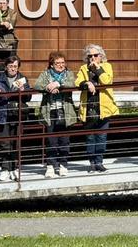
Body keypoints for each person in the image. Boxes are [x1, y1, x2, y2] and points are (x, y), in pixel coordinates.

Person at [34, 51, 76, 178]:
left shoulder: (69, 74)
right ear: (51, 64)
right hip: (50, 112)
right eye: (58, 63)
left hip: (65, 112)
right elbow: (37, 85)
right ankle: (51, 166)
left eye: (63, 63)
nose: (61, 65)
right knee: (51, 141)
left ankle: (63, 165)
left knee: (64, 140)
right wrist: (49, 86)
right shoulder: (45, 74)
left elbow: (72, 84)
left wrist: (58, 84)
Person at [76, 44, 117, 172]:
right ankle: (92, 163)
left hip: (103, 108)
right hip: (88, 107)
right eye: (90, 56)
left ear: (101, 56)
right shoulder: (83, 68)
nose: (92, 58)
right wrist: (87, 83)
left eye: (95, 55)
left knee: (101, 136)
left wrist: (98, 69)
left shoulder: (107, 66)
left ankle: (99, 161)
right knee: (90, 137)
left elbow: (106, 81)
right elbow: (77, 83)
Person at [0, 57, 29, 182]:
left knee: (16, 143)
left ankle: (15, 168)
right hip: (2, 115)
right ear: (6, 66)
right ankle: (5, 169)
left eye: (15, 66)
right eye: (10, 65)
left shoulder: (22, 79)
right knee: (5, 144)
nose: (13, 68)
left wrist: (24, 91)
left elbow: (28, 97)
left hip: (17, 115)